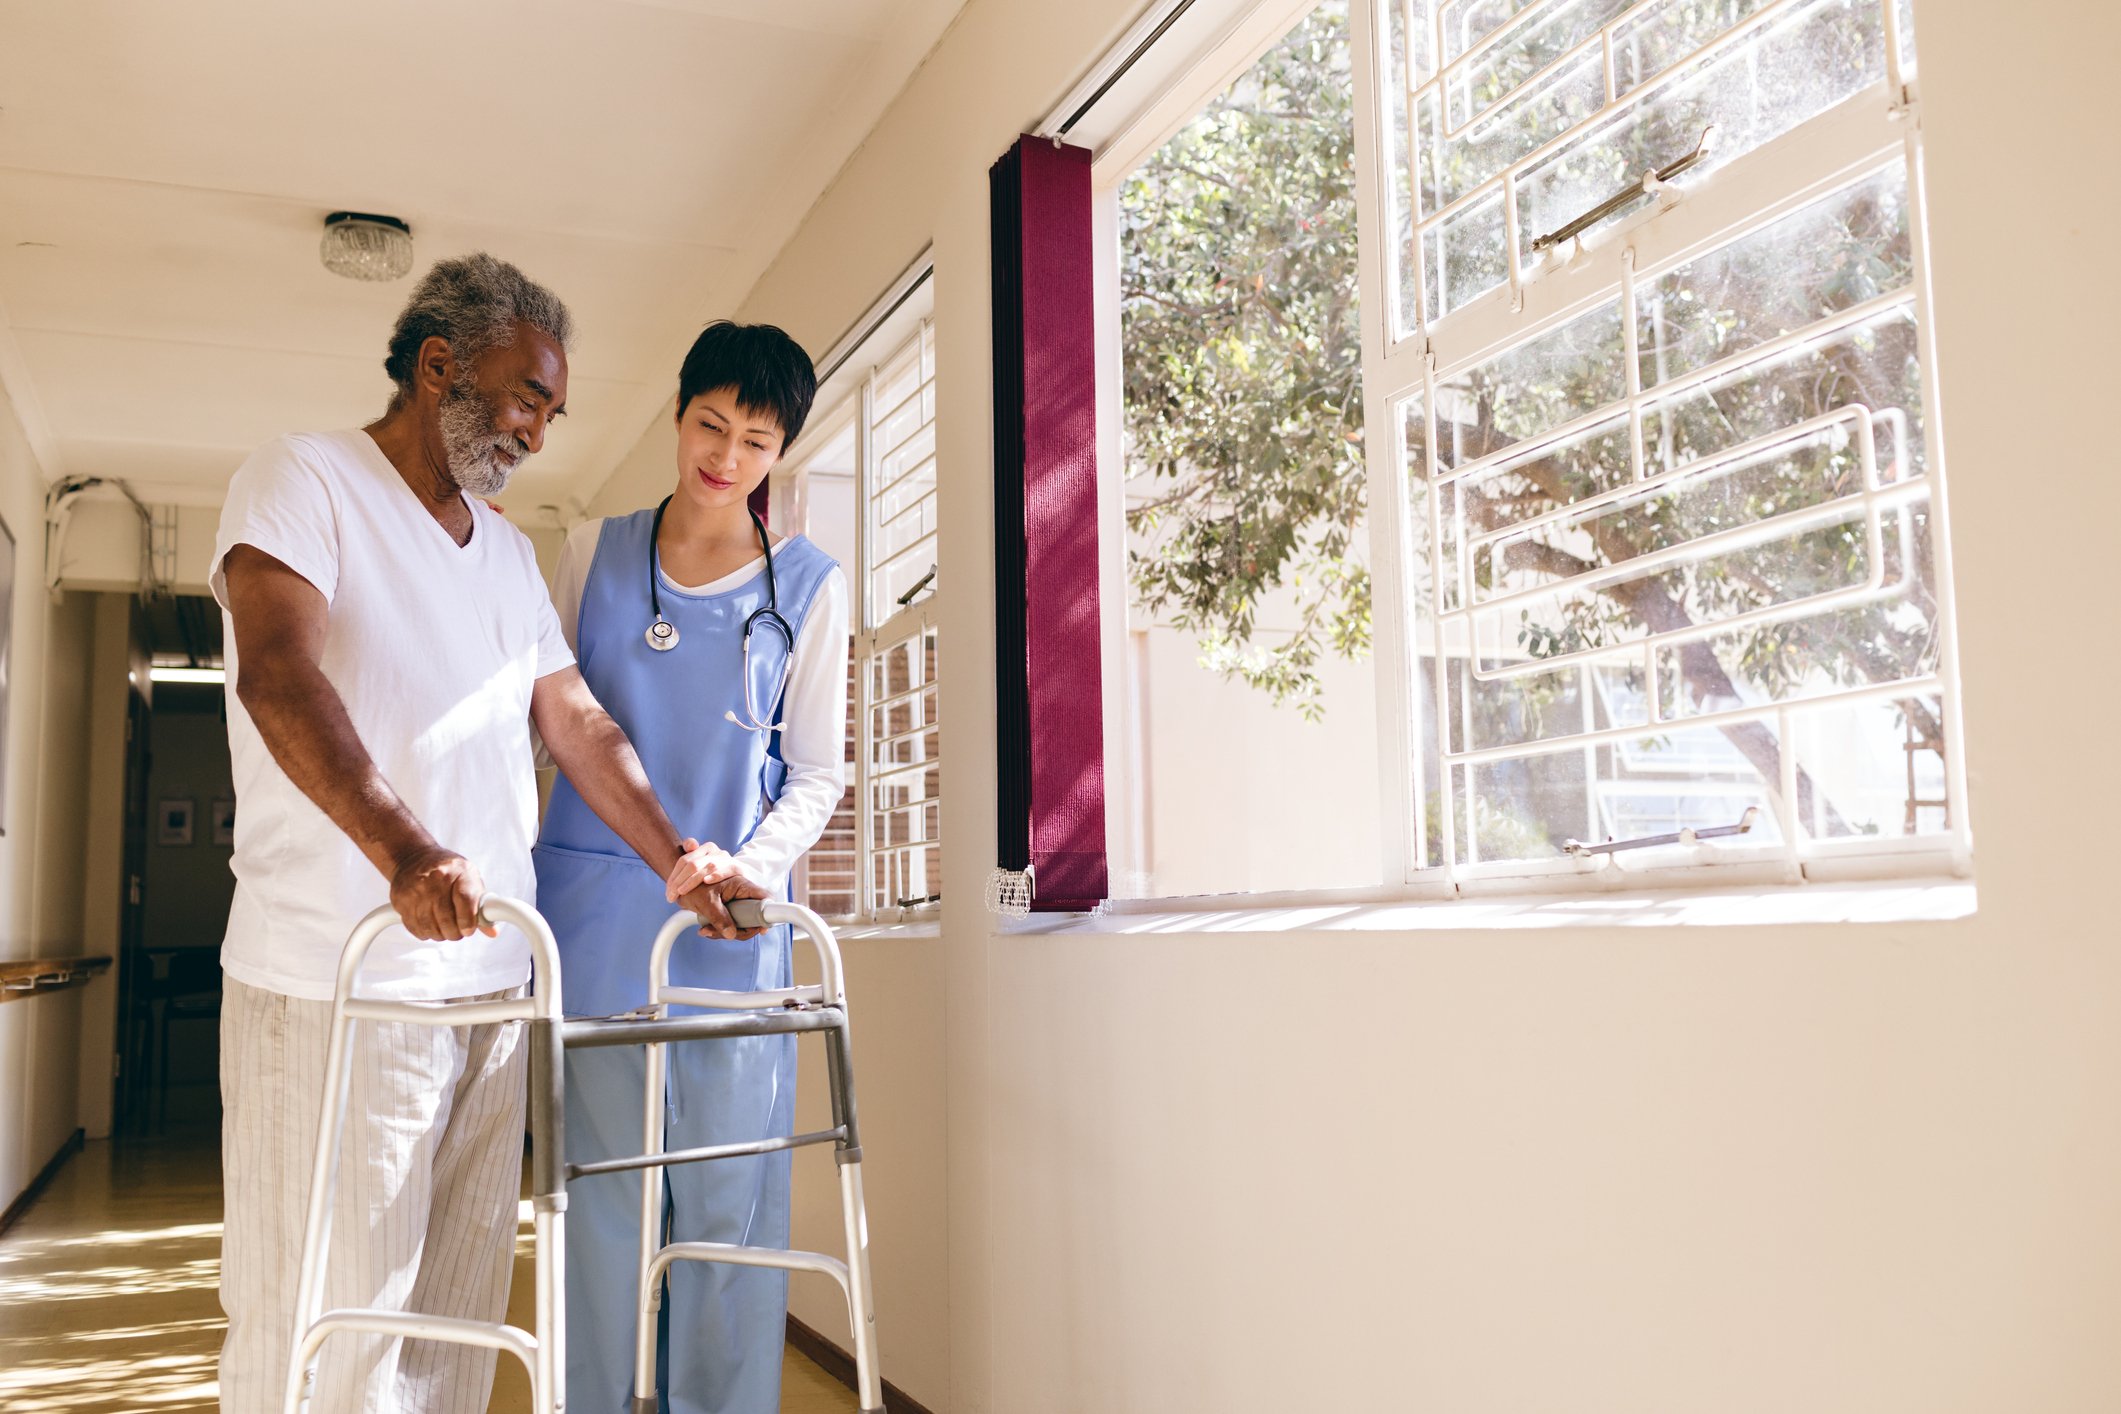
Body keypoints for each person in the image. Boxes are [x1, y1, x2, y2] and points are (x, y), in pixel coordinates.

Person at [212, 253, 737, 1414]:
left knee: (449, 1333)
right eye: (523, 400)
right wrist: (404, 849)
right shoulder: (303, 478)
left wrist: (676, 854)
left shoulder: (502, 550)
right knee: (325, 1321)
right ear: (438, 367)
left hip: (494, 987)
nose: (539, 434)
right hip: (335, 984)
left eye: (552, 413)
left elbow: (580, 724)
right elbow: (277, 672)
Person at [533, 320, 848, 1414]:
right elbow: (549, 727)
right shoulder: (594, 551)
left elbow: (816, 770)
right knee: (599, 1199)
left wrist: (748, 869)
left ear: (780, 453)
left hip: (729, 931)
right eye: (711, 425)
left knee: (724, 1209)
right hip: (592, 923)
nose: (726, 457)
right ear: (677, 416)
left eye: (757, 440)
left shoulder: (810, 585)